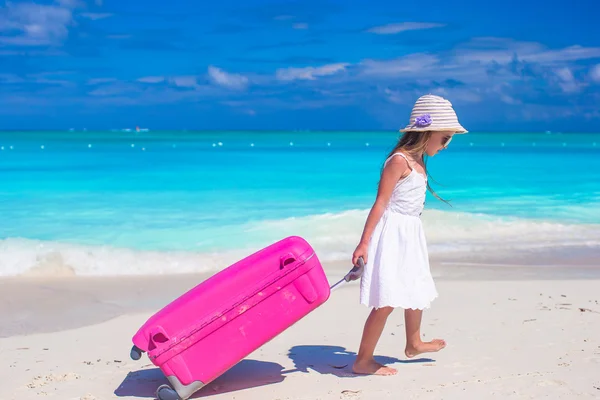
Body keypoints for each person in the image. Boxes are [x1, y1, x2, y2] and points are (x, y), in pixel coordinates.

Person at [351, 94, 468, 376]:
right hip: (392, 236)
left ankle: (413, 343)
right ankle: (363, 360)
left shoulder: (418, 162)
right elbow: (380, 203)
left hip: (411, 235)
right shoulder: (399, 161)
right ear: (427, 133)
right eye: (445, 138)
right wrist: (364, 243)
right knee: (387, 299)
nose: (446, 145)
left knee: (416, 287)